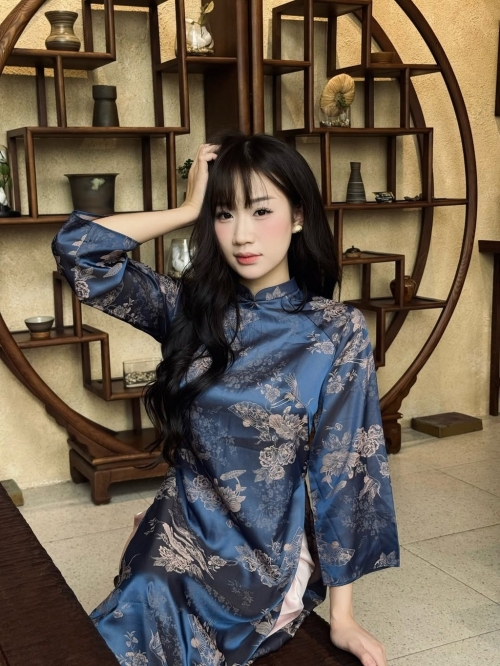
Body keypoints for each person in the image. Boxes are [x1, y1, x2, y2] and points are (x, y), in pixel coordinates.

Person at [52, 132, 400, 666]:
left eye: (261, 211)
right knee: (124, 628)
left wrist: (344, 617)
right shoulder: (187, 310)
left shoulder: (335, 331)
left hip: (265, 554)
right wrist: (187, 208)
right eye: (223, 214)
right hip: (179, 533)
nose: (241, 235)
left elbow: (345, 470)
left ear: (299, 215)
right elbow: (79, 250)